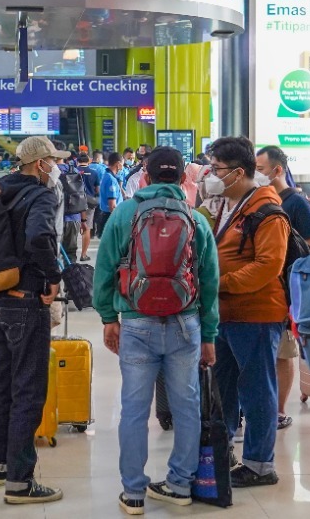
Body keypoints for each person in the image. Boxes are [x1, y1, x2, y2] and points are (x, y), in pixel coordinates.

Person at [94, 146, 220, 515]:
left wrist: (107, 318)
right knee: (186, 406)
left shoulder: (124, 213)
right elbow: (210, 284)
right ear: (183, 178)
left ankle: (133, 493)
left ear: (145, 177)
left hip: (136, 321)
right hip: (186, 322)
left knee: (134, 409)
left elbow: (104, 271)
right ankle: (180, 485)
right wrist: (209, 335)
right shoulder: (197, 220)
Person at [0, 136, 67, 504]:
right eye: (53, 160)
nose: (56, 167)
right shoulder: (40, 195)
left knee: (2, 383)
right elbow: (38, 237)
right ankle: (20, 481)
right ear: (40, 164)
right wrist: (53, 276)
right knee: (29, 390)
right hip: (28, 301)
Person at [203, 136, 288, 489]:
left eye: (217, 169)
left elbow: (269, 265)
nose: (210, 174)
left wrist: (220, 283)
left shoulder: (266, 210)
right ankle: (225, 453)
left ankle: (260, 463)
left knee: (257, 390)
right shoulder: (229, 205)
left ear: (238, 173)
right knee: (224, 388)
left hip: (256, 314)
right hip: (227, 315)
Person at [255, 145, 310, 430]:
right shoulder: (256, 200)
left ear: (277, 170)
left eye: (260, 170)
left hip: (286, 292)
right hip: (261, 290)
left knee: (283, 353)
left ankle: (278, 411)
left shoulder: (296, 203)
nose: (256, 175)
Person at [96, 151, 124, 241]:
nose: (122, 167)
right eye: (122, 164)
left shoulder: (108, 176)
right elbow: (112, 205)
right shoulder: (110, 179)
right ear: (118, 164)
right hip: (110, 217)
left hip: (107, 216)